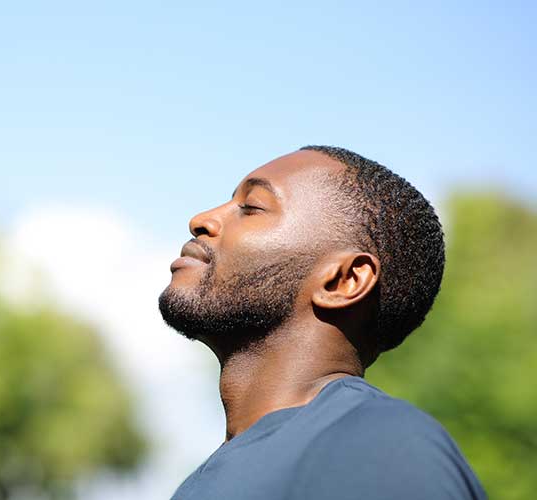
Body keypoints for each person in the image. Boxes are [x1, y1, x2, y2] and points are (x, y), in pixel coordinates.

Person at [158, 146, 487, 499]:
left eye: (252, 207)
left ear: (343, 281)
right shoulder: (199, 483)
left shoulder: (383, 448)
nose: (201, 219)